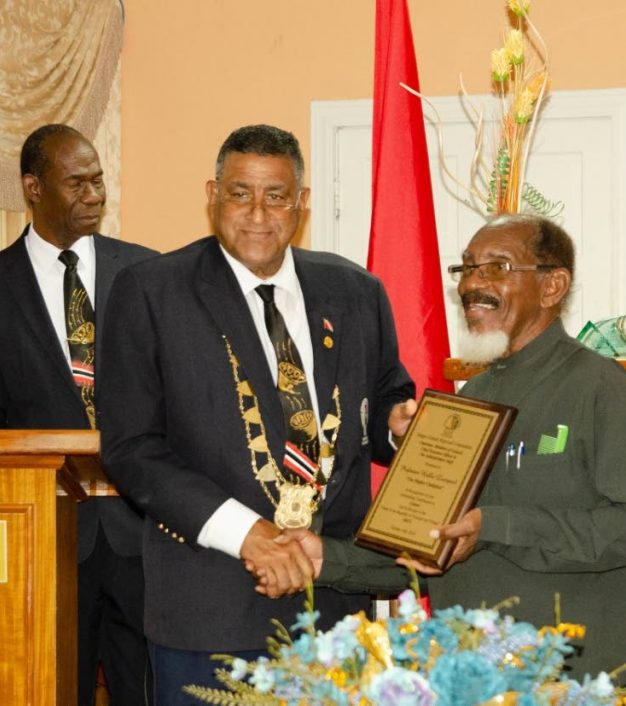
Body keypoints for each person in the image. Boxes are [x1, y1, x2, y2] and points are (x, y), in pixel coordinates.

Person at [283, 214, 626, 703]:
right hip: (473, 684)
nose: (472, 284)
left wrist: (497, 526)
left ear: (552, 285)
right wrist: (325, 557)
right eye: (467, 268)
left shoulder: (598, 386)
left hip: (577, 682)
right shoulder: (466, 401)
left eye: (498, 266)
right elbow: (425, 547)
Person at [95, 124, 417, 704]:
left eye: (277, 195)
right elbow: (132, 449)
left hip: (335, 608)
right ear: (212, 195)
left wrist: (398, 427)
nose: (258, 214)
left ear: (302, 202)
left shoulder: (356, 291)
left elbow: (386, 398)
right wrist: (250, 536)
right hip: (209, 609)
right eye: (241, 193)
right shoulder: (151, 291)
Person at [0, 124, 156, 706]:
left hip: (141, 533)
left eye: (99, 181)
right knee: (54, 687)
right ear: (33, 187)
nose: (94, 195)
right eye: (77, 183)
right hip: (50, 536)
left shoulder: (147, 275)